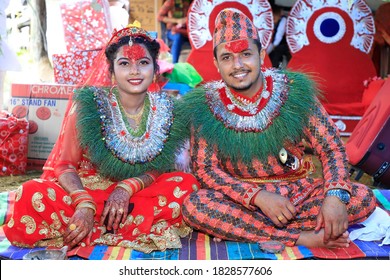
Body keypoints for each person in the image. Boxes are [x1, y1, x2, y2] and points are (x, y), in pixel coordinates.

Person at [178, 8, 376, 251]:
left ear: (261, 55)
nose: (237, 65)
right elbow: (206, 170)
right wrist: (258, 197)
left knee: (362, 197)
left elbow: (331, 146)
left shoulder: (294, 92)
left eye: (246, 54)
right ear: (216, 63)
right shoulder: (205, 107)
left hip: (298, 196)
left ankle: (248, 230)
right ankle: (302, 237)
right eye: (227, 57)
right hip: (240, 199)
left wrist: (335, 197)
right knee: (196, 206)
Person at [3, 22, 199, 253]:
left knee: (187, 186)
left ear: (155, 69)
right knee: (30, 192)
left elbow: (160, 166)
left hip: (137, 196)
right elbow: (64, 164)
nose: (134, 71)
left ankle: (91, 230)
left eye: (143, 63)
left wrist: (125, 188)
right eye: (124, 63)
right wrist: (83, 202)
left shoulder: (167, 110)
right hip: (84, 192)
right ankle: (108, 225)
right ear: (111, 70)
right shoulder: (89, 107)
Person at [266, 4, 291, 68]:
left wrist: (271, 48)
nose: (272, 20)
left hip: (285, 44)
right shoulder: (269, 22)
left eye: (274, 17)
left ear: (279, 15)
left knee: (277, 51)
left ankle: (274, 68)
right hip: (273, 43)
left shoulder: (283, 21)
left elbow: (278, 37)